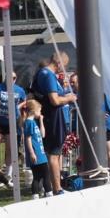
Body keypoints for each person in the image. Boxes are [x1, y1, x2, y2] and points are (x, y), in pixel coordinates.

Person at [31, 53, 76, 195]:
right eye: (64, 66)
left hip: (49, 118)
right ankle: (57, 188)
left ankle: (50, 187)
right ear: (59, 63)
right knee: (54, 153)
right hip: (52, 118)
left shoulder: (41, 73)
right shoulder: (48, 75)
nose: (63, 69)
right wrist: (69, 98)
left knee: (53, 152)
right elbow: (54, 100)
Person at [0, 71, 27, 178]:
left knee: (10, 148)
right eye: (9, 78)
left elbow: (25, 100)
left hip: (12, 123)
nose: (11, 80)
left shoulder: (19, 90)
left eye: (13, 78)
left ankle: (7, 175)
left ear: (16, 79)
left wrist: (17, 107)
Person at [22, 100, 52, 198]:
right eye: (39, 111)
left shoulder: (34, 122)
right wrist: (32, 153)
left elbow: (43, 135)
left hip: (41, 153)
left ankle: (37, 195)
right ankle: (48, 193)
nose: (40, 113)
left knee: (39, 176)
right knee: (45, 175)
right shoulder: (28, 123)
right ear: (34, 111)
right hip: (36, 154)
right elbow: (28, 139)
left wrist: (41, 121)